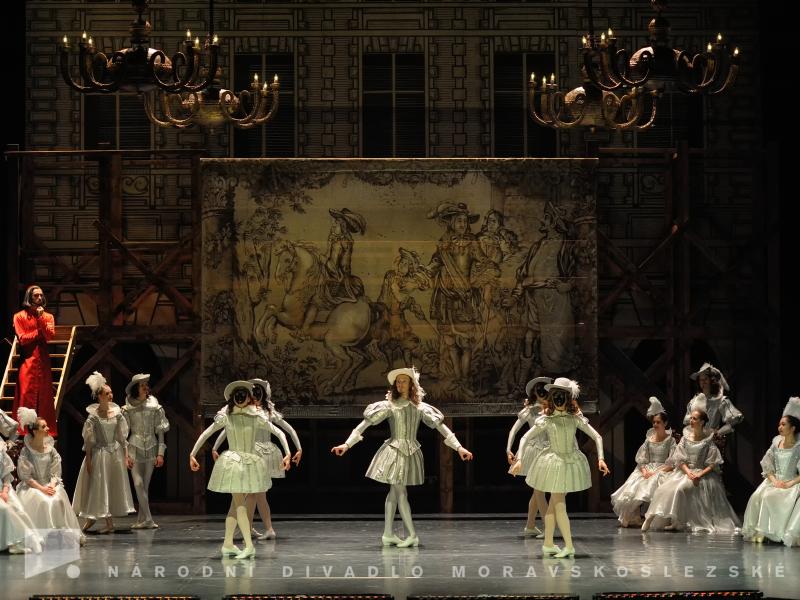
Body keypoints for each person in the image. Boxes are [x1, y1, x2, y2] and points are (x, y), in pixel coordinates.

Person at [331, 367, 473, 547]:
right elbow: (364, 424)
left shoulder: (420, 407)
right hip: (394, 451)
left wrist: (459, 447)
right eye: (397, 382)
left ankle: (388, 534)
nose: (400, 384)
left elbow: (441, 427)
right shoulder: (390, 405)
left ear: (411, 384)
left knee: (394, 492)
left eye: (403, 381)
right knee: (400, 492)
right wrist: (347, 444)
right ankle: (412, 535)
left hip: (410, 451)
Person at [189, 381, 290, 559]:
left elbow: (279, 432)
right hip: (234, 464)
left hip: (249, 464)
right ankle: (243, 545)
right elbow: (206, 433)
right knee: (238, 505)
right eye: (238, 394)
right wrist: (192, 453)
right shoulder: (227, 417)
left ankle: (233, 544)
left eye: (244, 394)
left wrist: (288, 453)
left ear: (249, 398)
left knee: (235, 507)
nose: (240, 397)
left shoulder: (256, 417)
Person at [511, 377, 609, 558]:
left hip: (569, 463)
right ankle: (567, 546)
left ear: (568, 398)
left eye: (561, 396)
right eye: (555, 396)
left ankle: (549, 544)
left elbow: (597, 436)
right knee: (559, 505)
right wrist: (520, 459)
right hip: (553, 462)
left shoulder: (574, 419)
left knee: (554, 505)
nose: (558, 399)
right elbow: (525, 437)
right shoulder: (547, 420)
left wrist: (601, 459)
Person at [212, 378, 295, 539]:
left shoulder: (261, 414)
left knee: (253, 495)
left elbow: (285, 430)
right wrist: (215, 447)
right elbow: (226, 429)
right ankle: (249, 529)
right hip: (245, 457)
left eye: (258, 392)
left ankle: (255, 530)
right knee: (248, 495)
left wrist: (292, 451)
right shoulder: (241, 413)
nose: (254, 396)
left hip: (258, 457)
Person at [642, 409, 741, 534]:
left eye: (694, 418)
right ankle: (651, 516)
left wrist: (700, 474)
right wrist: (688, 472)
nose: (691, 420)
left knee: (680, 489)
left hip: (701, 473)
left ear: (702, 422)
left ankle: (678, 521)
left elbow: (713, 463)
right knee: (663, 489)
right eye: (691, 418)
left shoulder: (707, 440)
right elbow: (679, 460)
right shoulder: (685, 438)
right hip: (685, 471)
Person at [72, 371, 135, 534]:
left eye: (111, 392)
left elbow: (122, 438)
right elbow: (89, 442)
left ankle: (106, 523)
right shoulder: (93, 418)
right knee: (100, 486)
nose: (111, 395)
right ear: (99, 396)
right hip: (100, 454)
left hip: (115, 454)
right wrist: (89, 460)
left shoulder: (117, 414)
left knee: (111, 486)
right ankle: (95, 519)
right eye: (107, 393)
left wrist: (126, 456)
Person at [14, 407, 84, 545]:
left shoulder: (51, 450)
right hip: (33, 486)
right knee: (42, 501)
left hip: (49, 483)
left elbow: (55, 472)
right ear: (35, 431)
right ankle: (42, 537)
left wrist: (51, 486)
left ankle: (60, 536)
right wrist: (42, 489)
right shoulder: (26, 452)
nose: (47, 429)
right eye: (43, 426)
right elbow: (26, 477)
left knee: (58, 498)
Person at [742, 397, 800, 545]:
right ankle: (761, 531)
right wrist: (774, 481)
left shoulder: (798, 447)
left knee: (771, 496)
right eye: (779, 424)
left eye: (783, 424)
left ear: (793, 428)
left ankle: (775, 532)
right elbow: (767, 464)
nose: (780, 427)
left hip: (792, 481)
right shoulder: (776, 443)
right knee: (757, 496)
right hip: (775, 479)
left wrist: (789, 484)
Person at [610, 397, 676, 527]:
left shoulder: (670, 440)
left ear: (665, 423)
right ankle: (632, 517)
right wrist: (645, 471)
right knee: (635, 483)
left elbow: (672, 462)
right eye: (654, 422)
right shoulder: (649, 439)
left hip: (663, 469)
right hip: (647, 468)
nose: (655, 425)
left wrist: (655, 472)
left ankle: (654, 518)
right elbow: (641, 459)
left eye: (658, 422)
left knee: (656, 483)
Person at [122, 373, 170, 529]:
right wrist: (126, 455)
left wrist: (161, 453)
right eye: (142, 385)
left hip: (151, 446)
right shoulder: (128, 408)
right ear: (136, 389)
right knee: (138, 484)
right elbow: (124, 433)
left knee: (145, 487)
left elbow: (160, 431)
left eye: (146, 385)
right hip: (134, 447)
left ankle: (141, 520)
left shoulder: (154, 406)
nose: (145, 387)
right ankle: (148, 519)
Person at [506, 376, 552, 537]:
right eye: (539, 390)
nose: (542, 393)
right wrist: (508, 449)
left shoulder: (552, 409)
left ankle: (530, 525)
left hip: (548, 450)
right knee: (539, 490)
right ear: (534, 393)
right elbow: (514, 430)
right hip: (534, 451)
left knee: (538, 491)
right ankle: (547, 527)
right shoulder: (530, 410)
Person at [12, 285, 57, 437]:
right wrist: (38, 332)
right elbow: (23, 339)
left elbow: (50, 336)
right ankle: (23, 431)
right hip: (28, 361)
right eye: (36, 296)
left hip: (43, 362)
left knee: (44, 396)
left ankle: (46, 430)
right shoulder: (19, 316)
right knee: (25, 394)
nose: (39, 298)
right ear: (29, 297)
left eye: (41, 295)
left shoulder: (48, 316)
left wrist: (41, 319)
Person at [683, 363, 743, 450]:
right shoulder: (694, 400)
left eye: (705, 379)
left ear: (712, 381)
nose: (703, 382)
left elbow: (736, 418)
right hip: (693, 441)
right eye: (701, 380)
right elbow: (687, 421)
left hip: (710, 443)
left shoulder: (719, 400)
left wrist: (718, 432)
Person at [1, 434, 41, 554]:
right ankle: (14, 543)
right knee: (5, 509)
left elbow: (6, 474)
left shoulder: (0, 447)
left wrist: (5, 490)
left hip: (3, 487)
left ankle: (27, 539)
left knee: (18, 509)